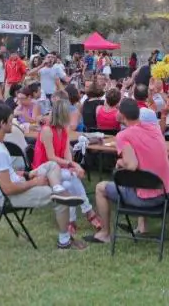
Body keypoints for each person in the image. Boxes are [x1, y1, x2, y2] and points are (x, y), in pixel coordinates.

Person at [0, 104, 87, 250]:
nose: (13, 124)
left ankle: (57, 188)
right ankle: (64, 240)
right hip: (8, 197)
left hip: (7, 185)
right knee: (61, 202)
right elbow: (9, 188)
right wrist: (35, 182)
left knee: (52, 165)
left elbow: (4, 174)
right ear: (2, 124)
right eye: (11, 121)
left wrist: (27, 174)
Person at [90, 98, 169, 243]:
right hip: (166, 194)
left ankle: (104, 233)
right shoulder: (153, 128)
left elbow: (132, 165)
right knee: (143, 177)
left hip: (146, 199)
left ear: (122, 115)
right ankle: (143, 226)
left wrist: (120, 161)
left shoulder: (123, 136)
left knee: (100, 188)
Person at [32, 99, 102, 236]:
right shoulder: (47, 130)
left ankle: (72, 221)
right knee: (71, 177)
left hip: (59, 169)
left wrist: (71, 166)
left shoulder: (63, 129)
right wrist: (73, 165)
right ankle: (89, 212)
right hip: (45, 169)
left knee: (69, 181)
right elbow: (51, 157)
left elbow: (66, 152)